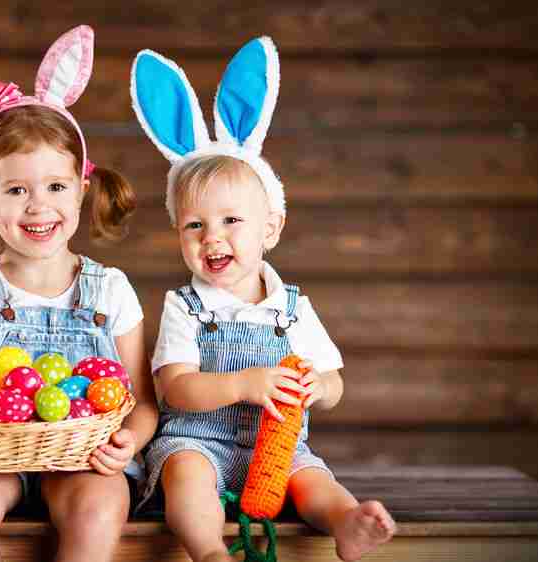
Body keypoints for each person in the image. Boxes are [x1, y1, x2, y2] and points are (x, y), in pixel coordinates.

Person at [130, 37, 396, 562]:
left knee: (313, 479)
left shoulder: (292, 308)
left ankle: (346, 522)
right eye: (194, 226)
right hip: (199, 441)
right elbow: (176, 389)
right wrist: (243, 383)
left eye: (232, 221)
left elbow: (335, 383)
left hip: (277, 446)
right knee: (186, 479)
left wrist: (318, 386)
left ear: (270, 228)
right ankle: (209, 551)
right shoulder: (186, 305)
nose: (213, 238)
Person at [0, 26, 158, 562]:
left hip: (82, 460)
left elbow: (142, 404)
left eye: (56, 187)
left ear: (82, 189)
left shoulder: (109, 289)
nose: (38, 206)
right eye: (17, 189)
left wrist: (128, 443)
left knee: (99, 506)